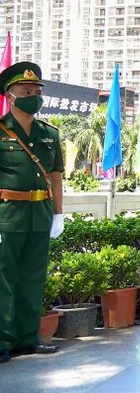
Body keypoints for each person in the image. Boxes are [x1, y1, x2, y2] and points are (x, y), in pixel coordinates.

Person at [0, 62, 64, 364]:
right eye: (25, 91)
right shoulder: (1, 131)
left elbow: (55, 177)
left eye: (37, 91)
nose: (33, 96)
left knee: (32, 278)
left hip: (40, 213)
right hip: (7, 214)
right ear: (10, 96)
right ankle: (3, 340)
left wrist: (58, 214)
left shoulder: (49, 133)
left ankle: (28, 338)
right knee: (4, 279)